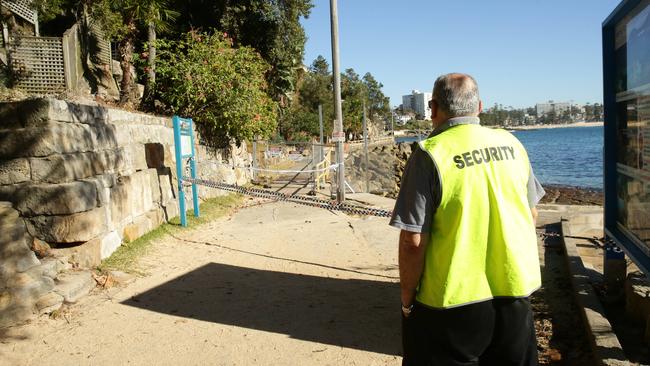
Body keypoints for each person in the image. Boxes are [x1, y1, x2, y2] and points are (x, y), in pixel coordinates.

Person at [390, 73, 545, 366]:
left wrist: (407, 300)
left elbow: (413, 240)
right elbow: (531, 214)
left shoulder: (429, 154)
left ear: (433, 109)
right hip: (514, 293)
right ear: (480, 107)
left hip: (449, 303)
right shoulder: (511, 144)